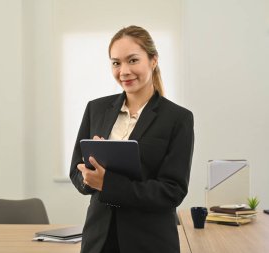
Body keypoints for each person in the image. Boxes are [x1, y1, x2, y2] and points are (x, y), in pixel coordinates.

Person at [70, 25, 194, 253]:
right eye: (116, 63)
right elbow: (76, 172)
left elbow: (172, 191)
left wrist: (108, 184)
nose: (124, 71)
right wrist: (88, 176)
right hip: (99, 241)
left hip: (149, 242)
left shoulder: (178, 118)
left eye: (133, 60)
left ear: (153, 60)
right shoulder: (95, 109)